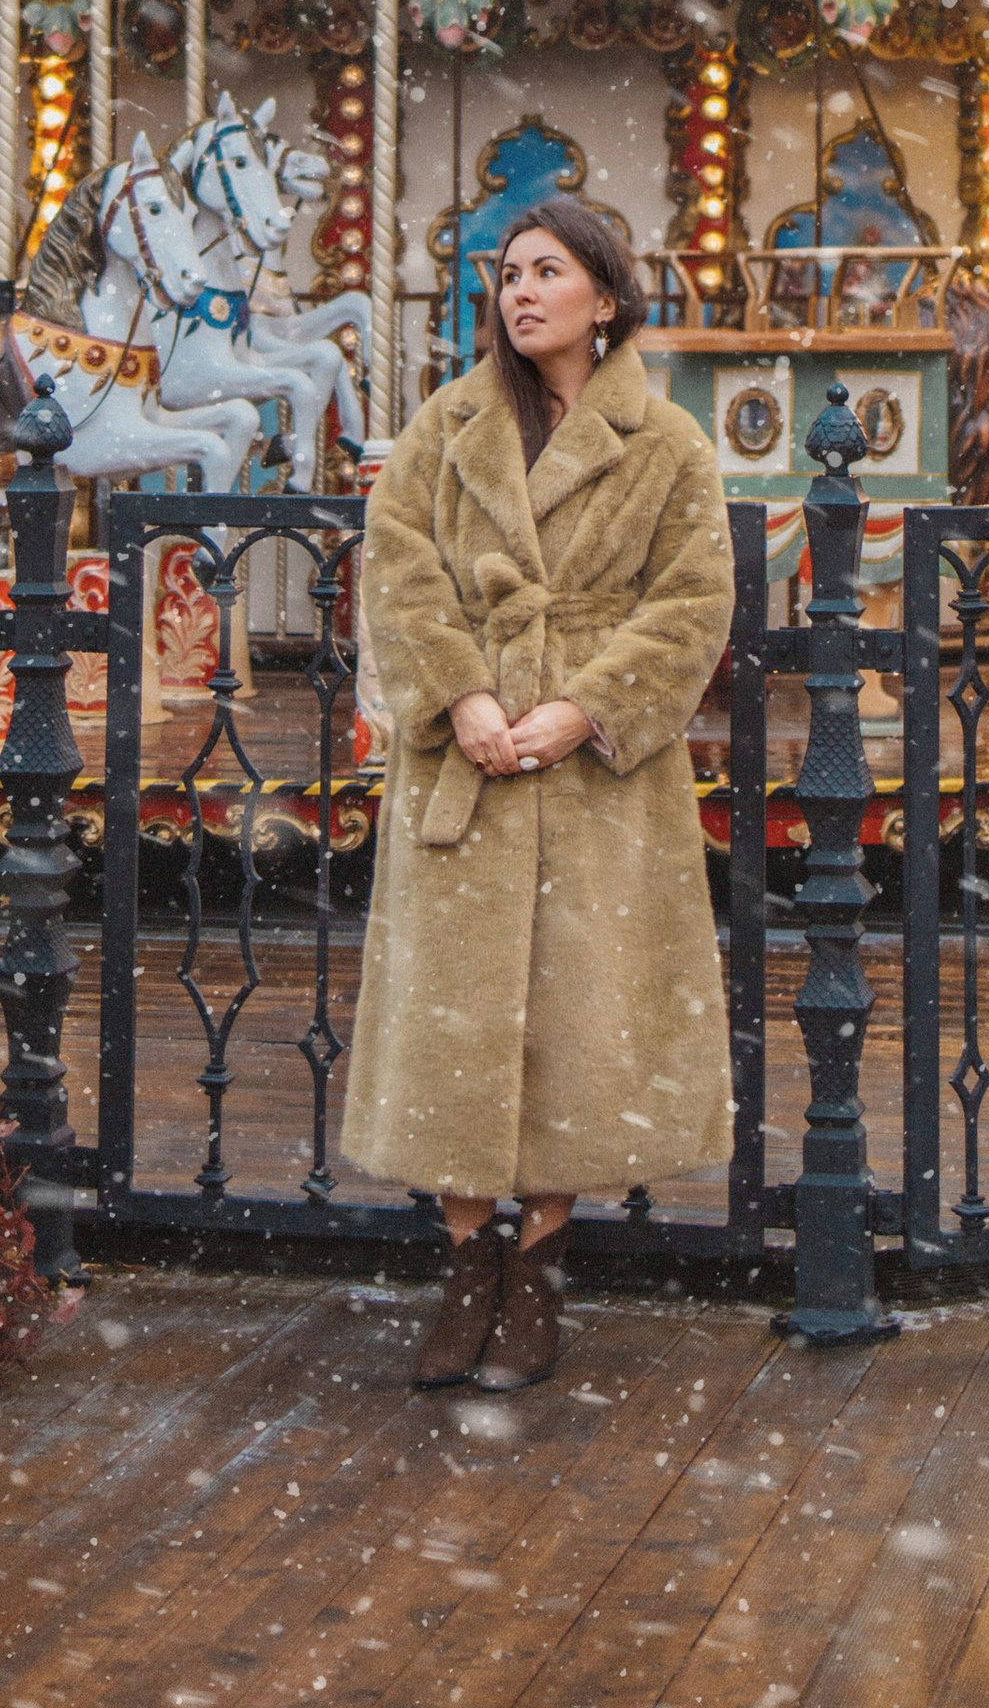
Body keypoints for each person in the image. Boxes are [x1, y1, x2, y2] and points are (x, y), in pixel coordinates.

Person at [344, 198, 735, 1393]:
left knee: (577, 1011)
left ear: (603, 297)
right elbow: (399, 563)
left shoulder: (666, 445)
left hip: (593, 775)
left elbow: (690, 601)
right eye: (508, 274)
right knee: (454, 1016)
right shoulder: (444, 427)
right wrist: (460, 692)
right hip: (466, 757)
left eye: (546, 272)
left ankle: (543, 1261)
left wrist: (585, 708)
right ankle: (467, 1265)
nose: (520, 292)